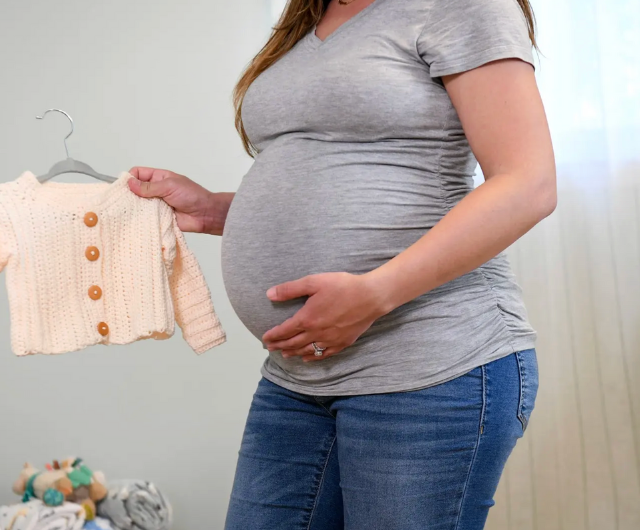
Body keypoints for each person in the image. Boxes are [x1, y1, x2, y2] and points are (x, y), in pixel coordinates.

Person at [128, 0, 555, 527]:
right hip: (298, 376)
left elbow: (528, 184)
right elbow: (338, 177)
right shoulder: (306, 17)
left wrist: (374, 294)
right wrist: (219, 210)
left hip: (430, 365)